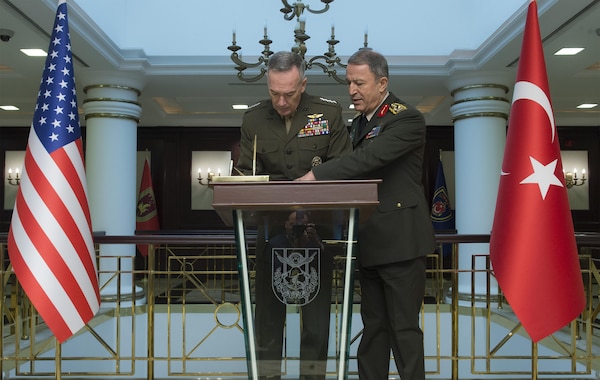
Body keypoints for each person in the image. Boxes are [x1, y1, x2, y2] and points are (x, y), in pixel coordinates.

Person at [297, 49, 436, 379]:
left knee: (403, 330)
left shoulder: (407, 119)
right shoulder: (359, 123)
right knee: (373, 329)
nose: (351, 90)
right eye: (348, 83)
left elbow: (367, 161)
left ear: (382, 82)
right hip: (369, 239)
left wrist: (316, 176)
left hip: (401, 242)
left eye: (359, 83)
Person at [237, 50, 352, 379]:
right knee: (268, 322)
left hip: (319, 232)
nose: (281, 101)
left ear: (303, 84)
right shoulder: (254, 119)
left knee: (315, 323)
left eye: (288, 93)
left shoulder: (328, 113)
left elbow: (342, 170)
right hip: (270, 231)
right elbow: (248, 177)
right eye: (274, 93)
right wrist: (284, 208)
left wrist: (305, 208)